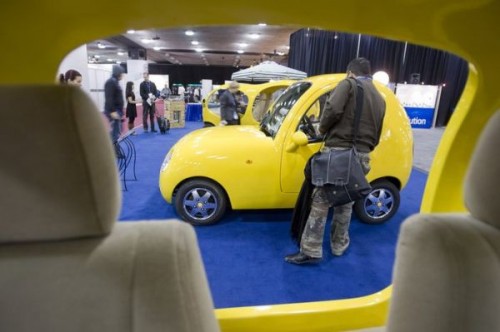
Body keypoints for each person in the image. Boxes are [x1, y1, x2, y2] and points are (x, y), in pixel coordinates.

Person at [285, 58, 386, 265]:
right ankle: (339, 245)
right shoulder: (380, 96)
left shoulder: (348, 84)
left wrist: (321, 130)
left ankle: (311, 250)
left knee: (321, 201)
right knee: (345, 202)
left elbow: (332, 110)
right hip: (363, 155)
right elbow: (377, 133)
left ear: (350, 72)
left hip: (340, 154)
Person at [104, 65, 125, 156]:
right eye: (122, 73)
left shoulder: (115, 82)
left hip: (117, 110)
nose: (123, 75)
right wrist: (112, 111)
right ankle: (114, 151)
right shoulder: (110, 82)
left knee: (116, 131)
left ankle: (112, 149)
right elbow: (109, 98)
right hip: (113, 111)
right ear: (118, 73)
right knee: (115, 132)